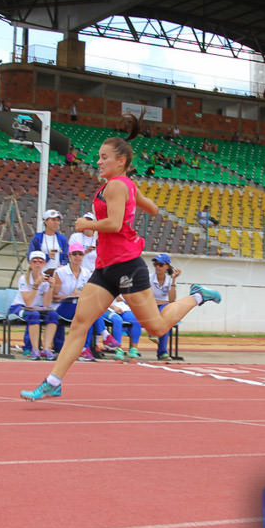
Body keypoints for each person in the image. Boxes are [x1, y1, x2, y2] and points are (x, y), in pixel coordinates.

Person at [21, 115, 221, 400]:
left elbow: (114, 224)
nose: (99, 161)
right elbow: (152, 209)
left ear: (121, 161)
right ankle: (53, 381)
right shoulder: (121, 185)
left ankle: (198, 296)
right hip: (105, 268)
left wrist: (86, 225)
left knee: (157, 327)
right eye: (99, 157)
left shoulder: (117, 186)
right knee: (80, 324)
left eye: (104, 157)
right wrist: (138, 200)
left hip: (127, 266)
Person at [10, 251, 59, 361]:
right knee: (33, 314)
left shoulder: (45, 279)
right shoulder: (24, 278)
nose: (37, 264)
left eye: (40, 261)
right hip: (19, 307)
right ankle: (35, 349)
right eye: (35, 261)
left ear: (44, 264)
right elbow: (28, 302)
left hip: (35, 308)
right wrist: (36, 285)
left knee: (53, 315)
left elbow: (46, 304)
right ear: (30, 263)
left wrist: (51, 287)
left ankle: (46, 349)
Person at [52, 242, 93, 355]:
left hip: (80, 307)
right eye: (74, 254)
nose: (77, 256)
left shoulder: (86, 273)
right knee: (87, 314)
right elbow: (54, 297)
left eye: (80, 254)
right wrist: (70, 296)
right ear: (69, 256)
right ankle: (100, 336)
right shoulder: (60, 272)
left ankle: (84, 348)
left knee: (88, 314)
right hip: (62, 306)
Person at [150, 253, 180, 361]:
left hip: (162, 308)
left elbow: (172, 300)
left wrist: (173, 280)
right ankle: (161, 348)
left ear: (167, 266)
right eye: (155, 264)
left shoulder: (169, 280)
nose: (157, 267)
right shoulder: (149, 279)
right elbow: (147, 299)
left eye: (160, 265)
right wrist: (162, 301)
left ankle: (162, 352)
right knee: (163, 314)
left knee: (165, 317)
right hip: (150, 307)